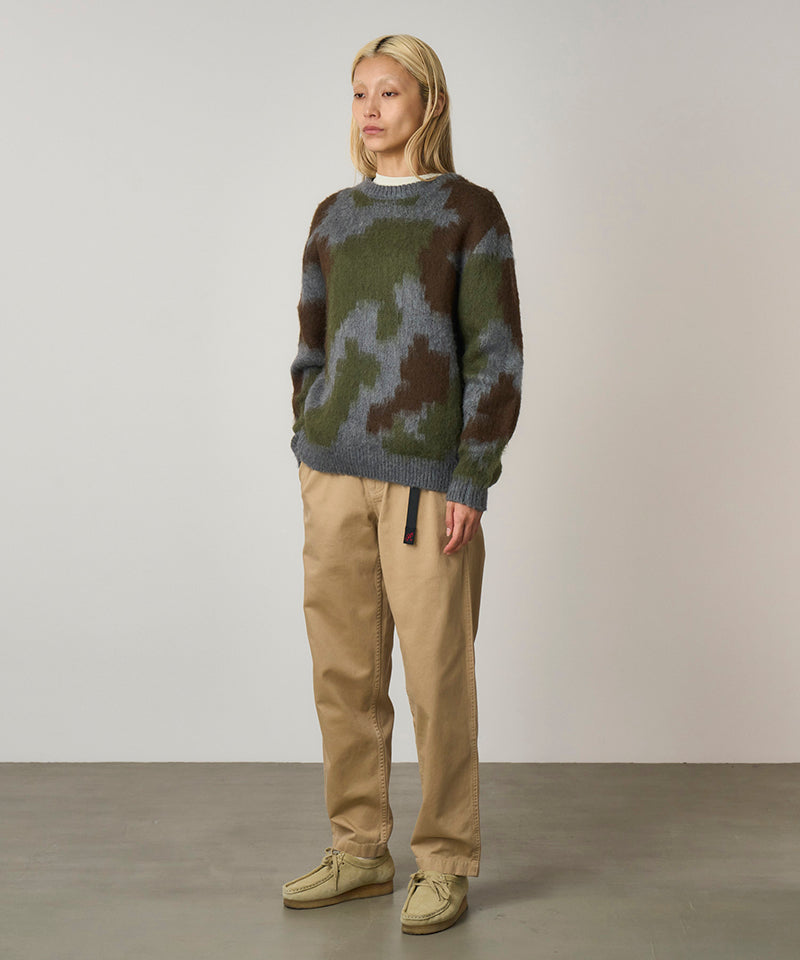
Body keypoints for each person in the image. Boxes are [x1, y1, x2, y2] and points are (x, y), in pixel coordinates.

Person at [282, 33, 523, 935]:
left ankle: (446, 860)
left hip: (428, 484)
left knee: (436, 678)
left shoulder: (469, 212)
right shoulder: (333, 216)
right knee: (343, 671)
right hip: (332, 474)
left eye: (390, 91)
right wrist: (308, 441)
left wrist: (472, 476)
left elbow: (495, 354)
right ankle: (358, 850)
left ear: (430, 103)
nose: (371, 109)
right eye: (360, 93)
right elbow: (311, 343)